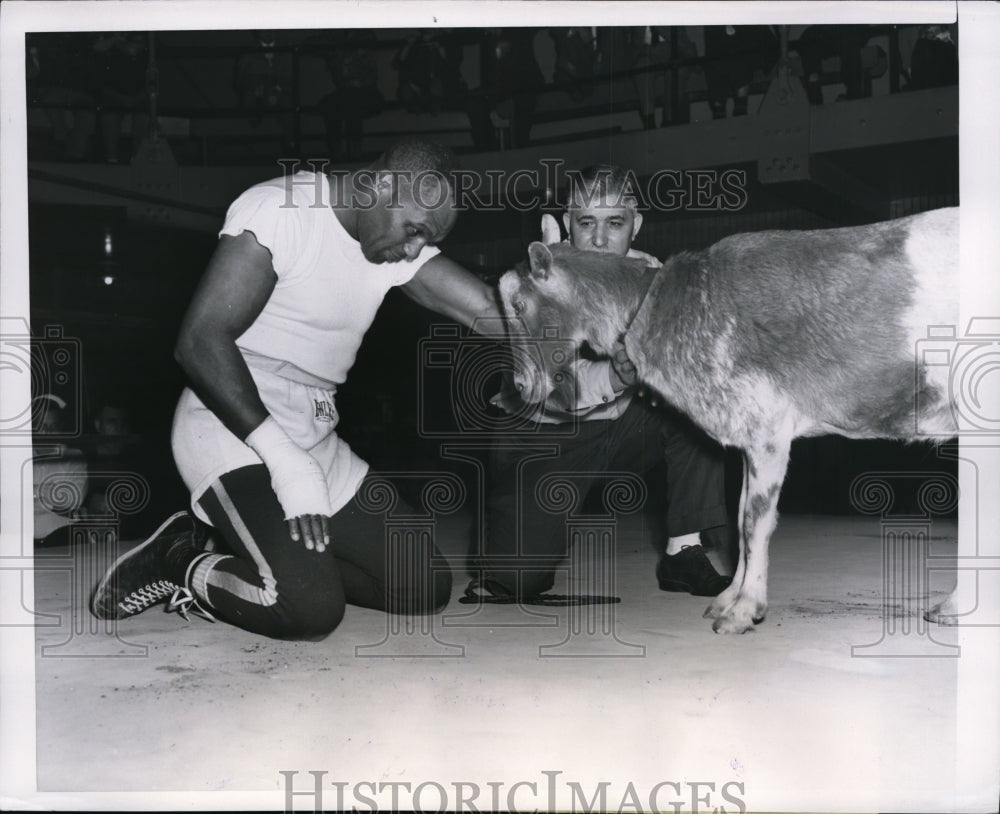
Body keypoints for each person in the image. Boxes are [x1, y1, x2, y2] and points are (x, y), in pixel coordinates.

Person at [90, 139, 501, 641]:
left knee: (421, 585)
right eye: (414, 230)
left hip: (314, 433)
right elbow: (198, 342)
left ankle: (278, 555)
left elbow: (484, 308)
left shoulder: (388, 244)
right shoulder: (280, 211)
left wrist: (582, 314)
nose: (416, 248)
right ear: (383, 184)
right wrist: (283, 459)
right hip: (231, 428)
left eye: (425, 238)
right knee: (308, 610)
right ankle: (180, 560)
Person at [474, 164, 733, 600]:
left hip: (624, 429)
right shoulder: (538, 283)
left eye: (614, 223)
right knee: (516, 582)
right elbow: (552, 390)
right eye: (586, 223)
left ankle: (682, 551)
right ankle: (509, 532)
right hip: (548, 435)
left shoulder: (650, 273)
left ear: (636, 226)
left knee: (697, 402)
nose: (599, 239)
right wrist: (616, 373)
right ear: (566, 224)